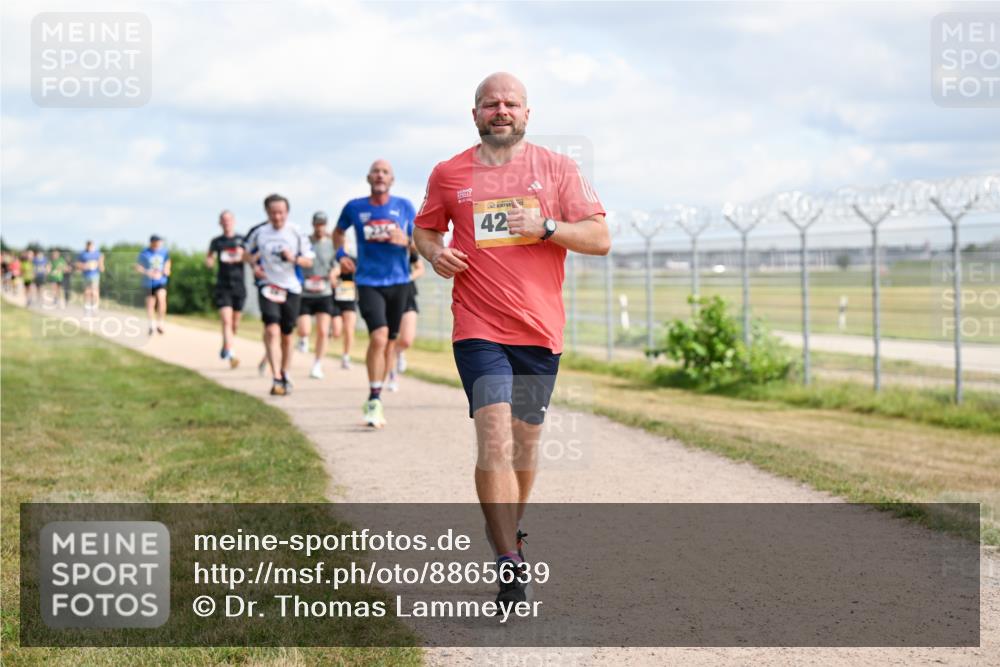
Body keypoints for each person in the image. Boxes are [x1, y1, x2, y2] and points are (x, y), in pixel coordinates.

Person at [413, 72, 609, 609]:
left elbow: (600, 237)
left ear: (527, 113)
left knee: (524, 445)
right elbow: (425, 229)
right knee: (494, 434)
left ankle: (509, 532)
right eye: (490, 103)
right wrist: (434, 254)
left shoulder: (557, 168)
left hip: (539, 332)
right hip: (478, 327)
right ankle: (508, 562)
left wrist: (545, 225)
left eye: (511, 103)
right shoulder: (448, 173)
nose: (501, 110)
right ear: (474, 113)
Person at [334, 160, 416, 427]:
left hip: (399, 281)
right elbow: (338, 233)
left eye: (385, 172)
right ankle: (374, 398)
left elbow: (420, 243)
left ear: (391, 180)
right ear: (368, 178)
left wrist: (406, 241)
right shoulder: (355, 207)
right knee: (378, 337)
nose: (380, 175)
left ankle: (380, 388)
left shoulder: (404, 206)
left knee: (391, 341)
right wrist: (341, 255)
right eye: (376, 171)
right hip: (368, 281)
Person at [245, 194, 314, 396]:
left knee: (286, 334)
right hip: (268, 286)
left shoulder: (296, 232)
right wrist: (254, 266)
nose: (277, 217)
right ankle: (276, 377)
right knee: (272, 330)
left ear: (287, 212)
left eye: (281, 212)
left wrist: (294, 259)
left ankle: (285, 372)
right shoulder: (259, 232)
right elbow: (245, 253)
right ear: (267, 213)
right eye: (273, 213)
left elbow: (309, 261)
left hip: (291, 287)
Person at [295, 212, 339, 379]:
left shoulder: (331, 244)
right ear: (313, 224)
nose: (320, 227)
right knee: (304, 329)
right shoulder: (305, 242)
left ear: (326, 224)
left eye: (323, 224)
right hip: (306, 292)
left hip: (324, 291)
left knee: (322, 331)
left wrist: (335, 273)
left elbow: (337, 265)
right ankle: (303, 339)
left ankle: (317, 364)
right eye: (317, 224)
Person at [206, 211, 247, 368]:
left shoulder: (242, 240)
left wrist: (244, 255)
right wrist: (210, 261)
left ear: (234, 221)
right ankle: (231, 353)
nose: (226, 222)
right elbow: (209, 257)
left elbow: (250, 257)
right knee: (226, 321)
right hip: (223, 286)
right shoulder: (216, 242)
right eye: (223, 220)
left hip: (239, 286)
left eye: (229, 220)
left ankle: (226, 345)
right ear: (220, 223)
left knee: (234, 324)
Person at [385, 249, 424, 391]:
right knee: (390, 340)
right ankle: (392, 376)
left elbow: (420, 268)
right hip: (386, 296)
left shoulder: (406, 247)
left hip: (407, 295)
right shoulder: (379, 248)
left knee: (407, 340)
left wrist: (408, 277)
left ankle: (399, 352)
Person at [135, 235, 171, 334]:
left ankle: (160, 323)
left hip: (161, 281)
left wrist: (166, 269)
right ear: (152, 242)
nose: (159, 243)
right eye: (158, 242)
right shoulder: (144, 253)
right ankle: (151, 324)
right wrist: (147, 272)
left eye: (160, 242)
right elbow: (137, 267)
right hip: (148, 283)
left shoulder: (164, 252)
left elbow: (167, 262)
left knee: (162, 300)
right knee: (151, 304)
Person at [330, 252, 358, 369]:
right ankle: (330, 332)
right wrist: (334, 281)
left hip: (350, 301)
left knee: (349, 329)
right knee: (337, 332)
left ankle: (346, 356)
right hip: (336, 302)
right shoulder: (338, 264)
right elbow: (332, 275)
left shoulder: (355, 264)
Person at [76, 240, 105, 312]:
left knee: (95, 291)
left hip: (95, 274)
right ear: (86, 246)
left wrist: (101, 266)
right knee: (87, 291)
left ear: (93, 245)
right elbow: (77, 264)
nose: (89, 247)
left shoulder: (97, 254)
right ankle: (87, 305)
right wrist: (84, 266)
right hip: (86, 275)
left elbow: (101, 264)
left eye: (90, 245)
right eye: (88, 245)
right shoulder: (83, 254)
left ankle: (95, 306)